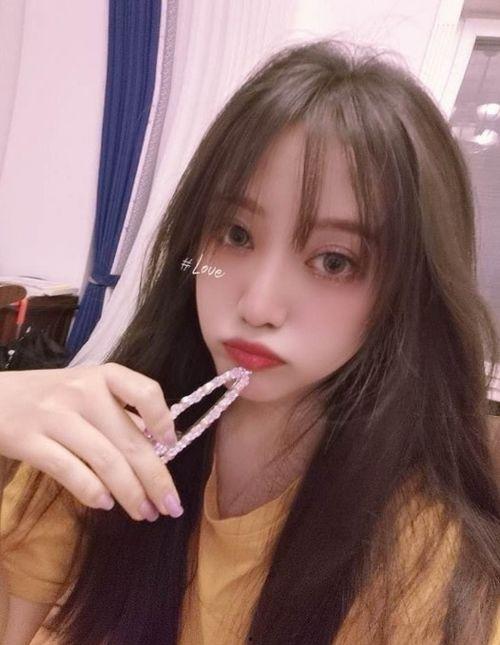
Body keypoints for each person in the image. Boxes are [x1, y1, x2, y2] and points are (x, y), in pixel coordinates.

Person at [0, 37, 499, 644]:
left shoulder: (418, 570)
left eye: (335, 261)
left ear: (405, 294)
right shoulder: (100, 450)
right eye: (236, 235)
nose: (258, 306)